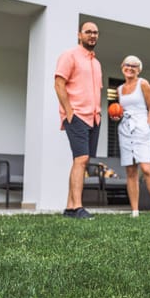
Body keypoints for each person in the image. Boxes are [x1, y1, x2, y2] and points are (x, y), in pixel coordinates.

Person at [54, 21, 102, 219]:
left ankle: (69, 207)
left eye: (95, 32)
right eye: (88, 32)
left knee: (81, 161)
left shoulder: (96, 63)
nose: (92, 35)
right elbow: (59, 83)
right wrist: (69, 112)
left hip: (94, 117)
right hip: (77, 115)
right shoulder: (69, 55)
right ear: (79, 35)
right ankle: (78, 208)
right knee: (81, 159)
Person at [114, 55, 150, 218]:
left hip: (142, 128)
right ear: (122, 66)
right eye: (127, 65)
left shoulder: (143, 84)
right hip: (124, 129)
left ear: (139, 70)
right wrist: (115, 116)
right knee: (130, 170)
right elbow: (119, 110)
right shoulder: (119, 89)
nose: (130, 68)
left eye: (134, 66)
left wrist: (147, 126)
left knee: (146, 168)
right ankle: (135, 211)